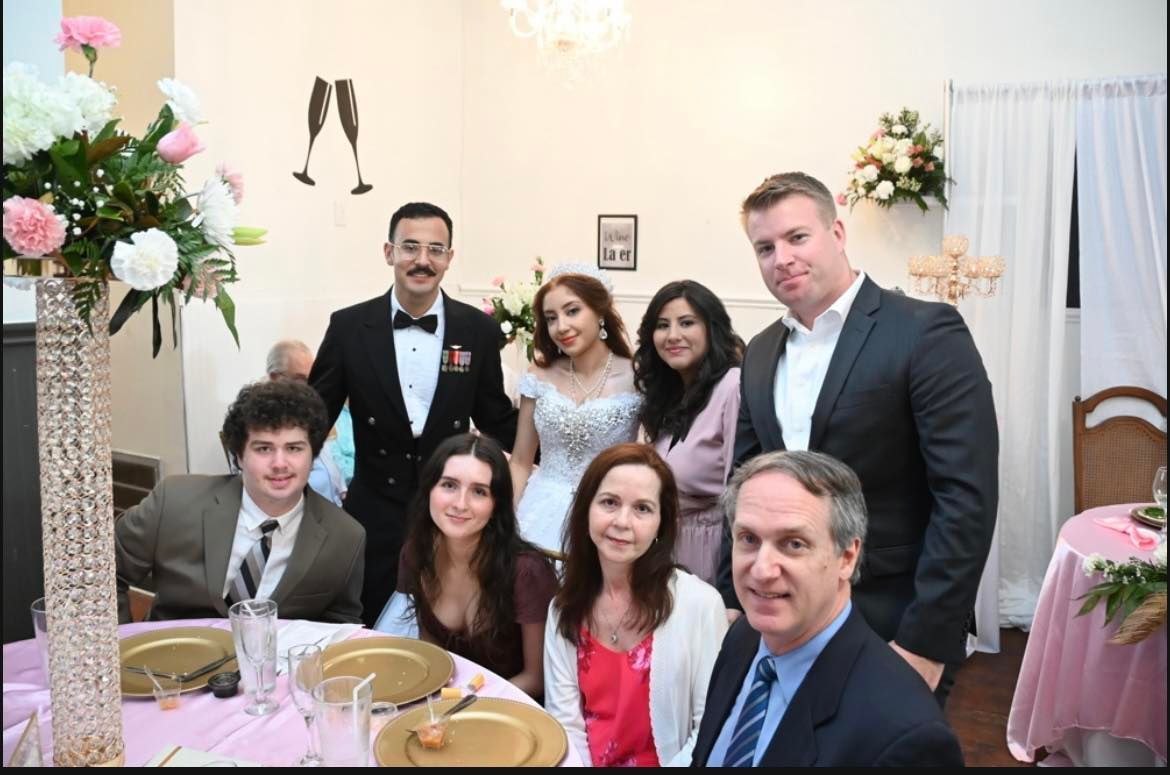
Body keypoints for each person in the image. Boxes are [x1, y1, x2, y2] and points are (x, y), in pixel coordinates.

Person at [715, 172, 998, 701]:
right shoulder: (760, 351)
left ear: (838, 233)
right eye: (765, 248)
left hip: (888, 616)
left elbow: (965, 498)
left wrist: (926, 641)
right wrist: (732, 597)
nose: (782, 258)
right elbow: (742, 485)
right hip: (780, 612)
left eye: (797, 237)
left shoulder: (924, 332)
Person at [309, 201, 518, 625]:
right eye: (410, 247)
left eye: (435, 250)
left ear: (449, 258)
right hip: (374, 510)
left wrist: (561, 450)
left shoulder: (476, 329)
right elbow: (315, 416)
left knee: (448, 627)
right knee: (369, 624)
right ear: (389, 252)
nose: (422, 260)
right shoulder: (349, 326)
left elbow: (495, 417)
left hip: (451, 510)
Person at [692, 451, 964, 766]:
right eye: (749, 538)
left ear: (847, 558)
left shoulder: (908, 736)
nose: (762, 570)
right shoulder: (743, 638)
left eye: (794, 544)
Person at [114, 379, 365, 624]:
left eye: (294, 448)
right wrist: (120, 644)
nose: (280, 464)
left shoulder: (345, 537)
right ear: (239, 456)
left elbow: (341, 623)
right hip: (173, 649)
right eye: (263, 448)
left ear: (313, 455)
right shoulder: (174, 501)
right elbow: (102, 571)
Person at [544, 443, 727, 766]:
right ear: (586, 509)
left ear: (661, 524)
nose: (622, 521)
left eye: (642, 508)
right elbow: (565, 725)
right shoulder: (564, 608)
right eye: (609, 502)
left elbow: (708, 731)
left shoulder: (701, 605)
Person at [389, 433, 557, 698]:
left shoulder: (526, 572)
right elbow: (434, 656)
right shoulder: (416, 554)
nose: (460, 504)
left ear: (496, 505)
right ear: (429, 490)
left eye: (479, 492)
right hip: (445, 704)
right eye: (449, 485)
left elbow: (536, 679)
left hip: (511, 708)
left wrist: (463, 703)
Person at [509, 263, 641, 554]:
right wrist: (505, 522)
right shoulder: (538, 375)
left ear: (600, 311)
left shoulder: (638, 378)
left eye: (572, 311)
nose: (561, 327)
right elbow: (520, 461)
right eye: (551, 318)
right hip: (538, 511)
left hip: (607, 513)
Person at [634, 280, 743, 584]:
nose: (673, 335)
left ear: (712, 329)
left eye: (686, 323)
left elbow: (740, 493)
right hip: (667, 549)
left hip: (712, 554)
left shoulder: (732, 386)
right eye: (662, 325)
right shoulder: (669, 394)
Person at [266, 339, 345, 506]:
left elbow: (331, 468)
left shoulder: (309, 414)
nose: (310, 387)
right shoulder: (262, 426)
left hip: (335, 508)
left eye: (313, 378)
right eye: (301, 380)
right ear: (275, 378)